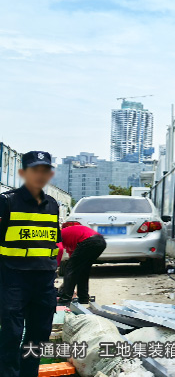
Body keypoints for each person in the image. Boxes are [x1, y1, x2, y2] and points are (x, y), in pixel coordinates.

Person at [0, 150, 60, 377]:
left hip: (44, 281)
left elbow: (54, 242)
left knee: (39, 334)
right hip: (13, 278)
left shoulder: (53, 205)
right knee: (12, 334)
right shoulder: (6, 201)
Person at [57, 221, 107, 305]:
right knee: (83, 271)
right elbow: (72, 255)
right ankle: (83, 298)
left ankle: (65, 299)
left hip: (89, 241)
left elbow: (60, 249)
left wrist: (56, 265)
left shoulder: (58, 235)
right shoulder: (71, 235)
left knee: (70, 270)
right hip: (100, 242)